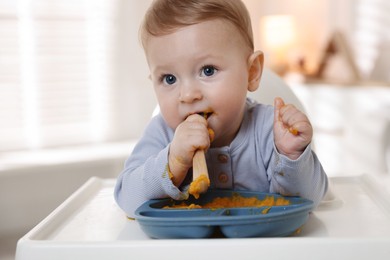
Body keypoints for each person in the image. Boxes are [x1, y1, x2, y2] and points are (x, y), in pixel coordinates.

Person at [114, 0, 328, 218]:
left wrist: (290, 156)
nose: (188, 95)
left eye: (208, 70)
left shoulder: (269, 130)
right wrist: (173, 162)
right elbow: (128, 199)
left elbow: (310, 200)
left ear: (252, 72)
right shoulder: (161, 133)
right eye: (169, 79)